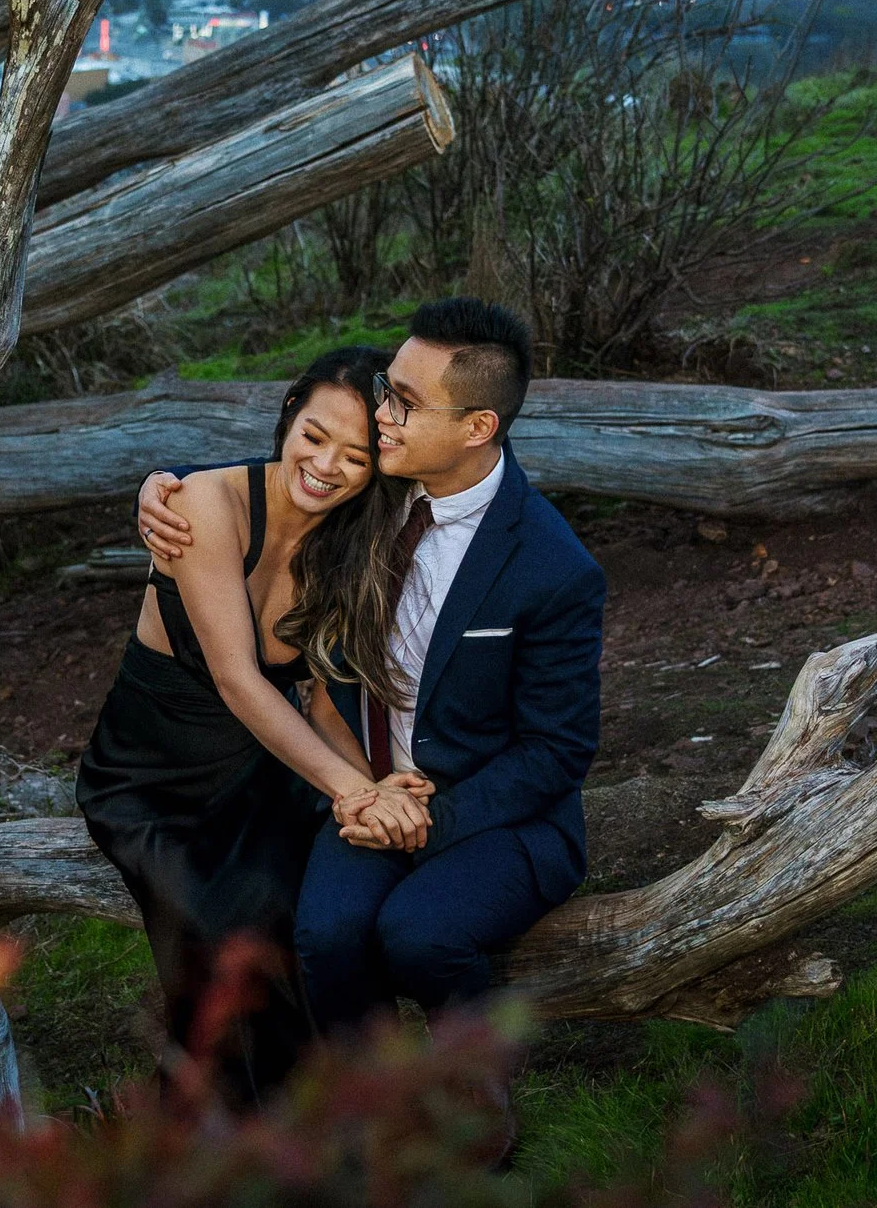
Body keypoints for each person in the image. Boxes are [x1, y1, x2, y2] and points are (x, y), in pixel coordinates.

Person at [137, 298, 602, 1041]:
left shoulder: (554, 567)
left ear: (476, 427)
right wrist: (168, 482)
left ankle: (472, 1094)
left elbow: (559, 750)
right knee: (327, 934)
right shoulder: (381, 489)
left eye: (406, 403)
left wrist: (427, 823)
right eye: (389, 388)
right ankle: (375, 1111)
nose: (382, 414)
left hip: (498, 816)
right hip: (369, 782)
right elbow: (288, 478)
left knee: (420, 933)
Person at [77, 345, 436, 1103]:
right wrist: (351, 791)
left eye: (356, 454)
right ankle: (221, 1131)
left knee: (298, 919)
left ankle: (324, 1119)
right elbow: (241, 681)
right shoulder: (204, 503)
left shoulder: (350, 542)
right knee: (217, 934)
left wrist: (375, 788)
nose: (327, 466)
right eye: (314, 436)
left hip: (257, 771)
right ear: (286, 417)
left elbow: (318, 697)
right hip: (149, 782)